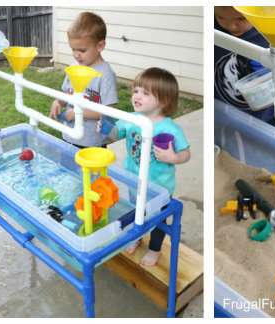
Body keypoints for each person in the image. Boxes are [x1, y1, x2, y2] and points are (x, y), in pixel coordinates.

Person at [99, 67, 191, 266]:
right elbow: (116, 134)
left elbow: (186, 153)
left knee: (157, 219)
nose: (137, 96)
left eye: (145, 93)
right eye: (135, 91)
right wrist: (107, 128)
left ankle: (155, 249)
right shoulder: (133, 119)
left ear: (164, 101)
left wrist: (173, 157)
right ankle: (136, 237)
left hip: (159, 187)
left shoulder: (169, 128)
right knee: (136, 212)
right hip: (134, 181)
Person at [214, 6, 275, 129]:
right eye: (220, 17)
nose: (231, 26)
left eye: (241, 18)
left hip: (270, 116)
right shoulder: (212, 30)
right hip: (225, 117)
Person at [48, 11, 118, 148]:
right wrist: (59, 101)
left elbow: (108, 112)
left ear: (100, 46)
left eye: (82, 50)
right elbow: (67, 93)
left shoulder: (105, 74)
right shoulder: (74, 67)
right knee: (68, 168)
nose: (76, 55)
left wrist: (76, 113)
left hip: (92, 142)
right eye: (73, 49)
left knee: (89, 170)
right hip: (69, 135)